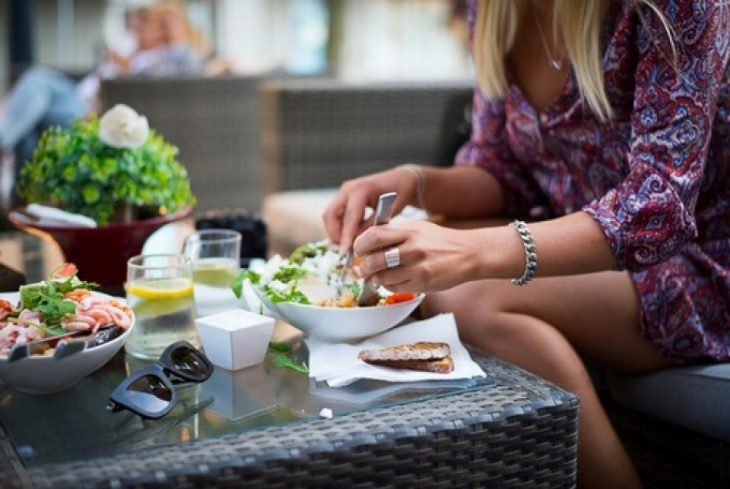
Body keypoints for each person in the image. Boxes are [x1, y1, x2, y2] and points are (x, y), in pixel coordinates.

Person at [323, 1, 729, 488]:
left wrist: (474, 255)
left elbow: (658, 205)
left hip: (699, 262)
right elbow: (504, 171)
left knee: (470, 296)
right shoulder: (493, 9)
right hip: (587, 252)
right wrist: (414, 181)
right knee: (416, 259)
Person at [0, 4, 202, 172]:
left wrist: (127, 68)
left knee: (36, 87)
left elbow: (187, 66)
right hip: (78, 93)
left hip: (89, 108)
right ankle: (20, 191)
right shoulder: (139, 53)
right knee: (35, 87)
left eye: (166, 25)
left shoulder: (175, 55)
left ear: (183, 28)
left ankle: (5, 144)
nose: (160, 31)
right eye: (158, 25)